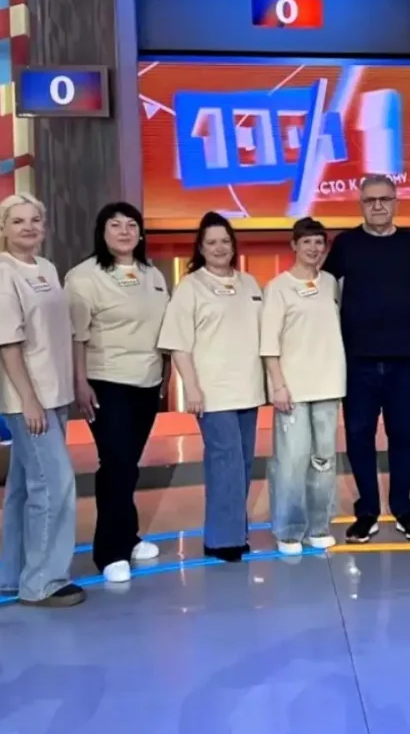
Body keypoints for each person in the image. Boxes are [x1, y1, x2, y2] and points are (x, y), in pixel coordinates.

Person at [0, 194, 84, 607]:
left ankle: (14, 574)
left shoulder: (46, 268)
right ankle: (43, 581)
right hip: (29, 399)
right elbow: (8, 344)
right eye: (18, 221)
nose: (28, 227)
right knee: (54, 485)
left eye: (35, 220)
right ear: (2, 228)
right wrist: (28, 399)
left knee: (24, 488)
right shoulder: (0, 274)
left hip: (55, 394)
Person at [324, 175, 410, 544]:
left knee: (403, 435)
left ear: (396, 201)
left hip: (404, 357)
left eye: (385, 199)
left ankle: (404, 509)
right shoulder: (345, 244)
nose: (378, 206)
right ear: (361, 204)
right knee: (359, 436)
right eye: (370, 200)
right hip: (356, 360)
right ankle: (367, 511)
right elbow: (325, 293)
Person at [65, 202, 168, 583]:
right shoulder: (83, 277)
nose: (125, 232)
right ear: (102, 232)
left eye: (131, 225)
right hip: (106, 381)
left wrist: (165, 372)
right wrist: (80, 382)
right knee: (116, 463)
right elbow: (76, 336)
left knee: (129, 463)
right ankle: (109, 551)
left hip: (147, 380)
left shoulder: (152, 274)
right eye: (115, 225)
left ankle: (129, 535)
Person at [159, 212, 266, 561]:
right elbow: (178, 344)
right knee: (225, 463)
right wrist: (191, 388)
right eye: (211, 243)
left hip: (249, 389)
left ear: (233, 245)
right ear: (201, 248)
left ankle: (235, 531)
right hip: (212, 393)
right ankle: (221, 540)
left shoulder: (249, 284)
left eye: (224, 241)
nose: (219, 248)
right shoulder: (190, 286)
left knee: (243, 464)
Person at [261, 217, 346, 554]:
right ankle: (289, 530)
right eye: (306, 242)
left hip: (329, 384)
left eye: (318, 242)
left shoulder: (330, 283)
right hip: (293, 388)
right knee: (292, 460)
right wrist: (278, 385)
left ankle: (318, 525)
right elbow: (269, 342)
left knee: (324, 459)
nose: (313, 248)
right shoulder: (277, 287)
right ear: (294, 245)